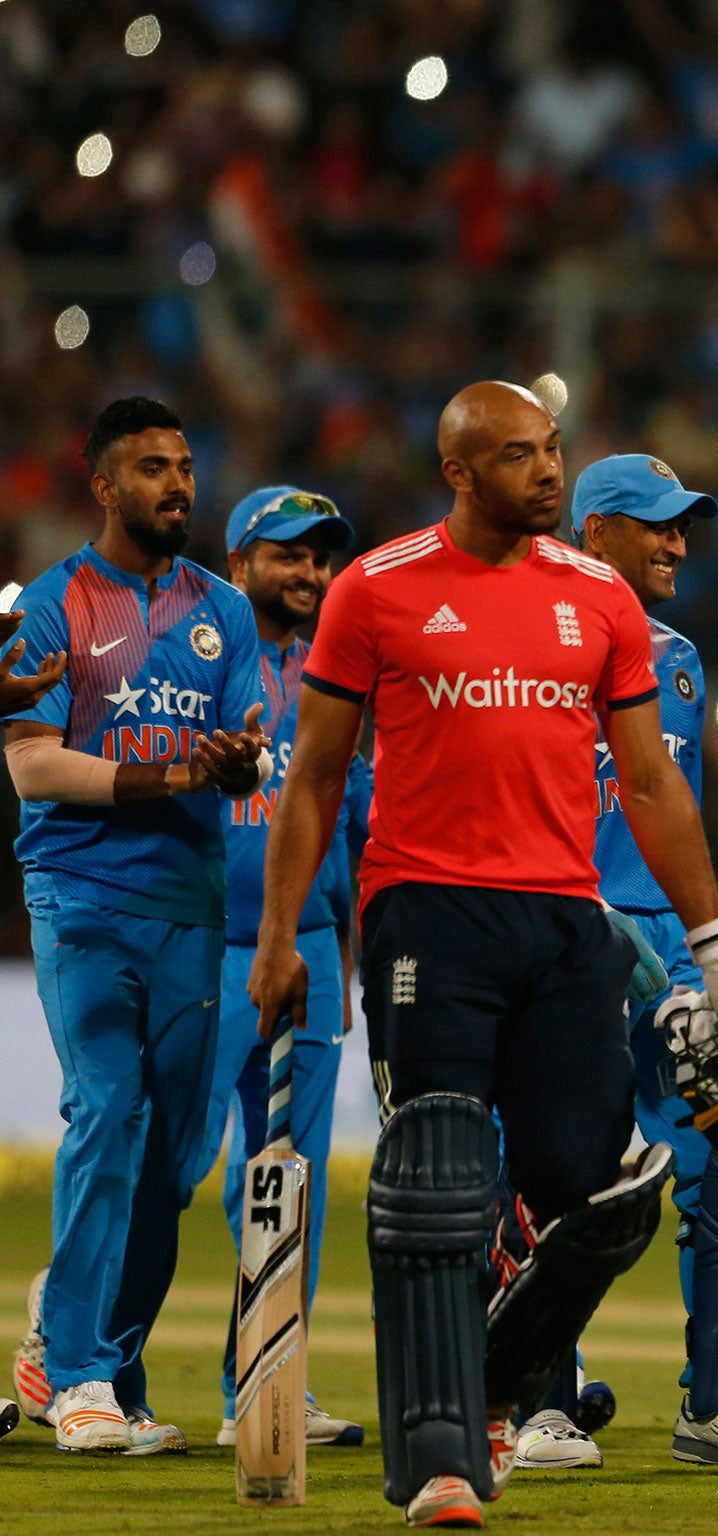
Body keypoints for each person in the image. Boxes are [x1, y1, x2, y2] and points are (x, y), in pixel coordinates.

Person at [247, 382, 718, 1529]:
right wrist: (277, 939)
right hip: (424, 916)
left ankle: (494, 1378)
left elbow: (647, 782)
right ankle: (444, 1459)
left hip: (563, 924)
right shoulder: (376, 590)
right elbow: (314, 779)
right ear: (458, 472)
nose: (547, 473)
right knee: (440, 1185)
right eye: (518, 457)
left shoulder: (598, 599)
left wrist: (709, 939)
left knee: (603, 1195)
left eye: (551, 452)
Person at [521, 452, 718, 1473]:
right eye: (656, 525)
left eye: (684, 525)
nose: (678, 543)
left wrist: (715, 937)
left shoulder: (678, 659)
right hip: (557, 933)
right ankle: (538, 1401)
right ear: (594, 531)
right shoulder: (522, 637)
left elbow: (667, 812)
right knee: (556, 1171)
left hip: (662, 951)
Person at [4, 397, 269, 1455]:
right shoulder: (56, 603)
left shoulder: (226, 611)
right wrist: (168, 772)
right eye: (154, 468)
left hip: (190, 906)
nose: (179, 486)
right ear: (106, 485)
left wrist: (238, 761)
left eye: (187, 466)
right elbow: (30, 766)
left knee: (175, 1156)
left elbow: (243, 743)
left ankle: (106, 1363)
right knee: (107, 1111)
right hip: (80, 897)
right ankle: (73, 1378)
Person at [193, 486, 369, 1451]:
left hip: (308, 948)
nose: (309, 573)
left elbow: (354, 820)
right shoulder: (202, 660)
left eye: (320, 558)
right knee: (167, 1164)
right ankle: (74, 1350)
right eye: (288, 555)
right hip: (203, 943)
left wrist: (344, 946)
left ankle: (263, 1383)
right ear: (240, 561)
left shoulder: (337, 681)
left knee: (286, 1175)